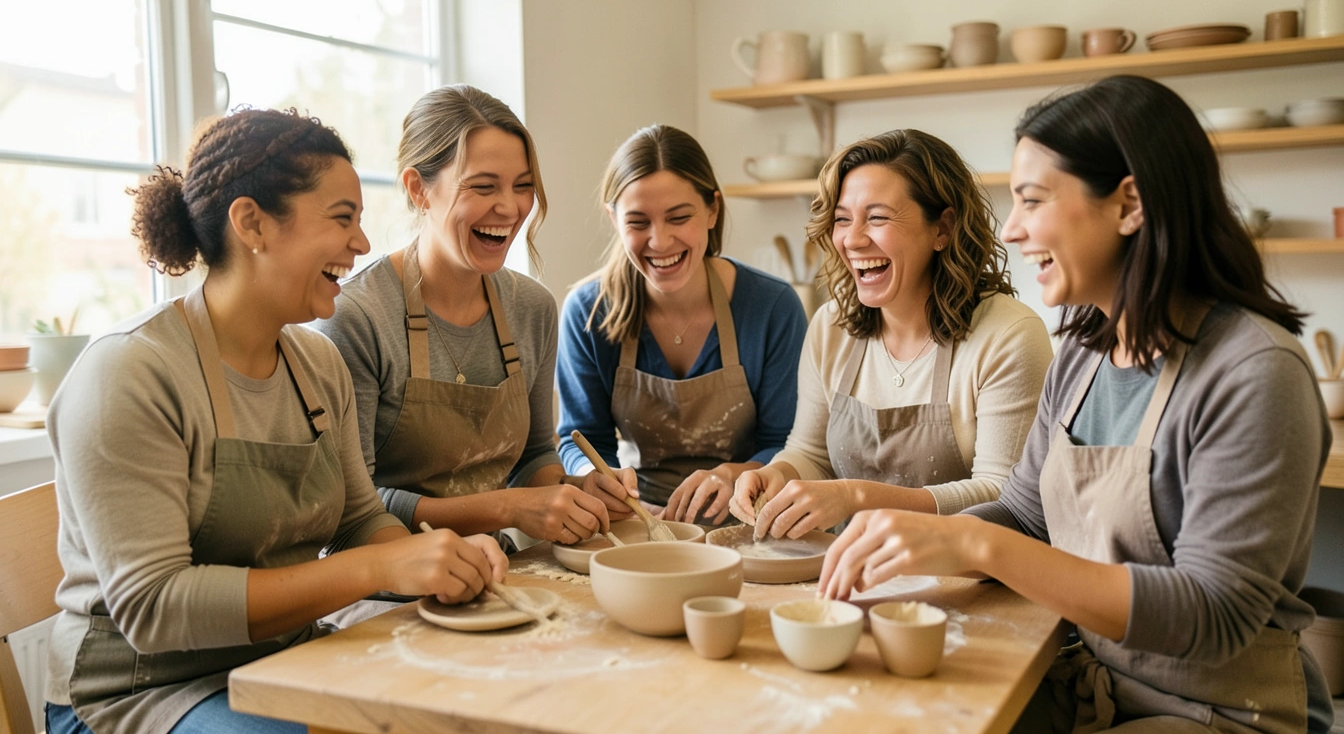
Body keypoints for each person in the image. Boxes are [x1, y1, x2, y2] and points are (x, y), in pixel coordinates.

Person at [819, 76, 1334, 733]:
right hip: (1091, 680)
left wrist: (971, 540)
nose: (1011, 229)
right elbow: (1026, 516)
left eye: (1032, 200)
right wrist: (917, 551)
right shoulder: (1085, 356)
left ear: (1129, 204)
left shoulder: (1255, 372)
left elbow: (1214, 615)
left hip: (1219, 711)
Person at [43, 108, 508, 734]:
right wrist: (378, 569)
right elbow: (154, 608)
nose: (362, 244)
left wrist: (435, 558)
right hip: (138, 692)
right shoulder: (129, 372)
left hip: (282, 659)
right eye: (342, 219)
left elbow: (359, 522)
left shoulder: (317, 363)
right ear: (252, 223)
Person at [315, 85, 623, 550]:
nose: (510, 207)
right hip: (387, 579)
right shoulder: (357, 317)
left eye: (523, 186)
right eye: (483, 186)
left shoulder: (533, 308)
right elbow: (352, 509)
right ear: (418, 189)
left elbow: (534, 455)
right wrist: (507, 508)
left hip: (495, 565)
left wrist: (575, 491)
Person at [730, 129, 1052, 538]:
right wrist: (777, 475)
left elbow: (1003, 497)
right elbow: (810, 453)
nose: (852, 239)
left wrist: (857, 496)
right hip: (849, 564)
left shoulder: (1008, 336)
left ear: (943, 228)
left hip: (967, 571)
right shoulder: (831, 327)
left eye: (877, 217)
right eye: (842, 219)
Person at [556, 124, 808, 525]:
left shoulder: (772, 308)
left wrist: (732, 475)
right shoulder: (588, 312)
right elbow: (581, 440)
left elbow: (788, 444)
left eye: (679, 217)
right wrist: (598, 481)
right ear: (613, 219)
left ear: (712, 210)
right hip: (639, 518)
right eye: (638, 222)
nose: (660, 241)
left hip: (751, 517)